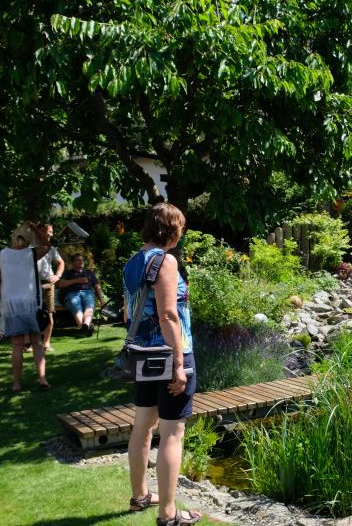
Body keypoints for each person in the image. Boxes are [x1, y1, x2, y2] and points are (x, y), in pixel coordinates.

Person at [124, 203, 200, 526]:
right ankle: (168, 514)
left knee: (143, 426)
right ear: (170, 230)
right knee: (172, 432)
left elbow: (129, 313)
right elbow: (169, 315)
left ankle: (140, 495)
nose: (181, 233)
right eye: (179, 227)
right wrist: (179, 363)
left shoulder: (131, 262)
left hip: (143, 355)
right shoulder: (165, 261)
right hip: (170, 355)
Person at [0, 222, 52, 392]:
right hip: (31, 303)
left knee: (17, 345)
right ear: (29, 239)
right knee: (37, 343)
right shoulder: (31, 253)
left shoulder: (0, 255)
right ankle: (42, 379)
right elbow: (48, 245)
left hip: (11, 304)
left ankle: (16, 384)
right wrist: (35, 229)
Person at [57, 253, 104, 337]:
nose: (81, 261)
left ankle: (84, 327)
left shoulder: (89, 272)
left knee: (89, 307)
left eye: (82, 260)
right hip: (72, 294)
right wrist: (77, 280)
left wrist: (102, 301)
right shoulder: (68, 273)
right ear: (73, 262)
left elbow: (97, 287)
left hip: (88, 293)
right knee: (76, 308)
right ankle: (87, 327)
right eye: (78, 260)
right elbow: (60, 284)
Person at [36, 224, 64, 352]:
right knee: (30, 313)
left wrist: (57, 275)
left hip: (48, 283)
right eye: (50, 232)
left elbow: (61, 262)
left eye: (52, 232)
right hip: (32, 284)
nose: (51, 235)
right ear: (40, 231)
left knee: (49, 313)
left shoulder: (51, 249)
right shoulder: (29, 247)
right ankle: (30, 343)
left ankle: (46, 343)